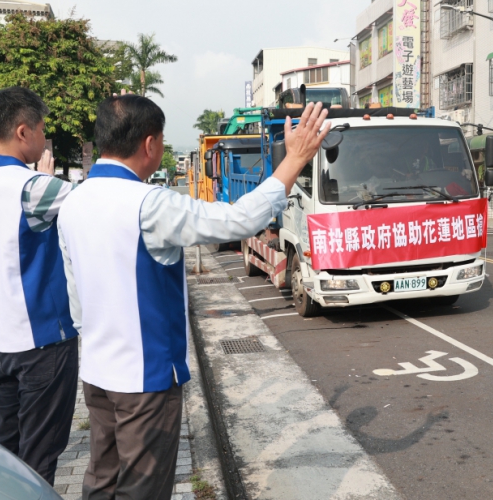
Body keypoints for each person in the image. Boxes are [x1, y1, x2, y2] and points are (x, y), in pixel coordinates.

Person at [57, 96, 331, 499]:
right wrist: (293, 162)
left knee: (102, 480)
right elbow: (239, 220)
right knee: (141, 490)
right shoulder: (150, 205)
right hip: (144, 380)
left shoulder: (73, 201)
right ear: (149, 144)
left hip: (97, 374)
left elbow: (75, 296)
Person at [0, 87, 78, 485]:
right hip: (42, 341)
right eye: (43, 129)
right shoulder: (35, 187)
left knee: (6, 449)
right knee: (39, 456)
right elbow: (99, 204)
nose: (45, 139)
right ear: (23, 132)